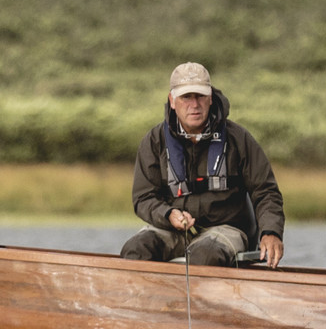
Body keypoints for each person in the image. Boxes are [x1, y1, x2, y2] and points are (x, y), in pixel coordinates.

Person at [122, 61, 286, 266]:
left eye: (200, 96)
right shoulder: (154, 141)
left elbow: (266, 192)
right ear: (172, 100)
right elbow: (143, 198)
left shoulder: (239, 139)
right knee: (135, 249)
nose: (194, 104)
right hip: (171, 228)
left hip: (225, 231)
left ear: (210, 98)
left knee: (204, 256)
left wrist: (271, 232)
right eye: (186, 97)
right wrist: (168, 214)